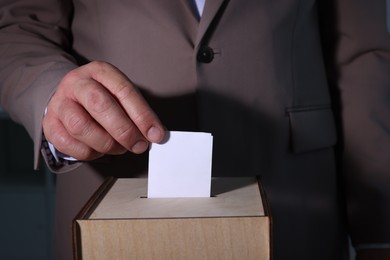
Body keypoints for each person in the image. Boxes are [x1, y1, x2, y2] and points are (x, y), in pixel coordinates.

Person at [0, 0, 389, 259]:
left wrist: (379, 229)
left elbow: (361, 58)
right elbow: (18, 27)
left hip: (293, 198)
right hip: (112, 200)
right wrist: (54, 95)